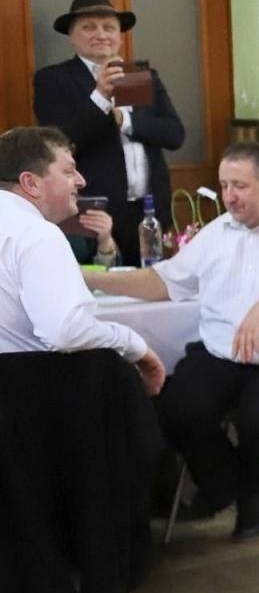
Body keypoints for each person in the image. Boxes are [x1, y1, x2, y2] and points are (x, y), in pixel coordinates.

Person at [89, 141, 259, 542]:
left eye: (240, 186)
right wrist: (90, 279)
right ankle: (232, 485)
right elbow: (163, 281)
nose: (229, 197)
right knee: (172, 410)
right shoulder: (219, 231)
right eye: (224, 186)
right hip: (219, 356)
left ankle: (244, 487)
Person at [0, 126, 163, 395]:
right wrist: (133, 344)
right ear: (31, 183)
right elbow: (65, 331)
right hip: (31, 398)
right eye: (68, 172)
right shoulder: (37, 234)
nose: (81, 181)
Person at [33, 0, 186, 266]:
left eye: (109, 27)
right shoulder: (54, 79)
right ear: (72, 36)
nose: (101, 34)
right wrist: (101, 98)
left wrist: (126, 122)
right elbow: (59, 142)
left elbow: (174, 134)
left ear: (120, 36)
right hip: (94, 210)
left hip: (148, 208)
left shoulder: (140, 76)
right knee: (101, 284)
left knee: (150, 282)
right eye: (89, 27)